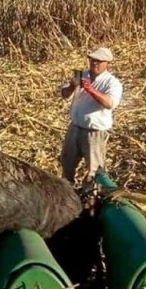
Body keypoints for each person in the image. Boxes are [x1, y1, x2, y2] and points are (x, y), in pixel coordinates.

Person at [60, 47, 123, 186]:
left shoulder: (112, 83)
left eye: (99, 61)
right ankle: (67, 193)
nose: (95, 63)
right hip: (74, 128)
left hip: (94, 133)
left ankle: (91, 199)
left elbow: (110, 103)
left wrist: (90, 89)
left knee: (94, 171)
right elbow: (64, 95)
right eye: (93, 60)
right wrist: (72, 86)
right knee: (67, 164)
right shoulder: (81, 75)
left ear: (107, 63)